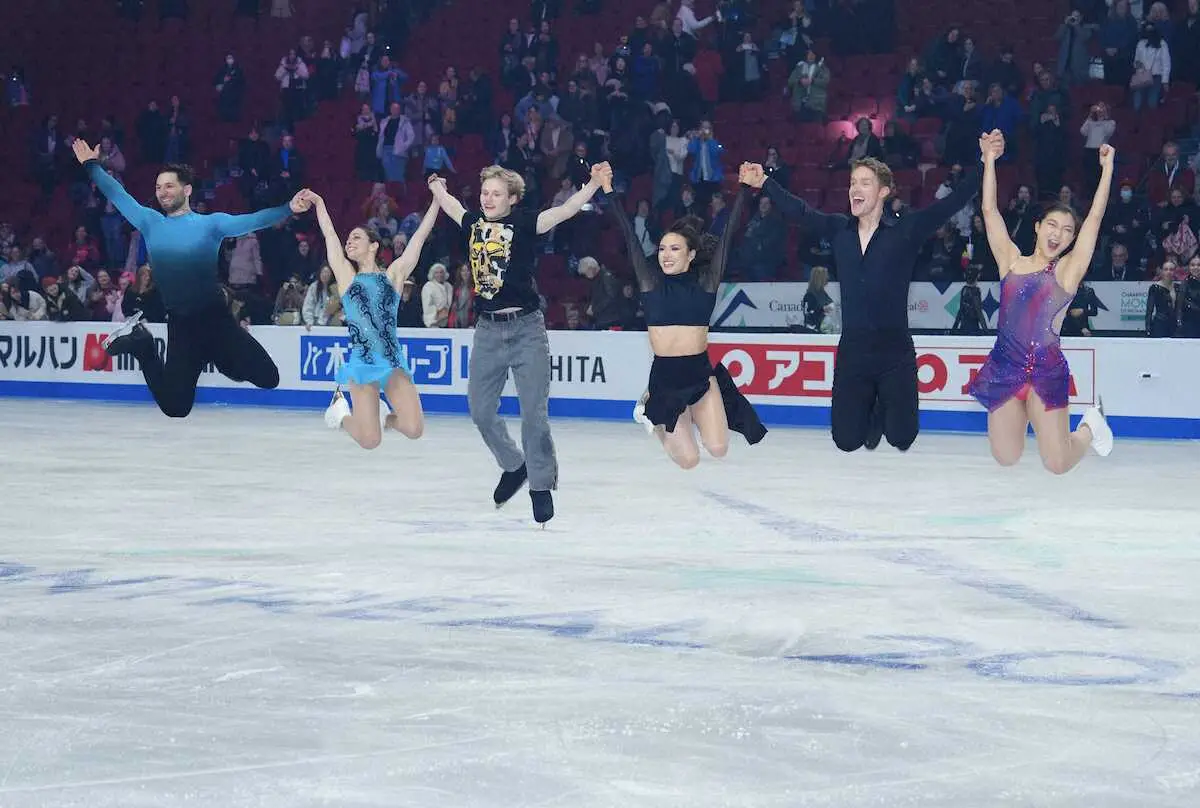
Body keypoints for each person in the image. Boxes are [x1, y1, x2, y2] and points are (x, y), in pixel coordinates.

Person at [741, 153, 982, 453]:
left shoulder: (906, 230)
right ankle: (870, 406)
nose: (855, 188)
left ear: (883, 191)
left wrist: (986, 161)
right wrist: (764, 181)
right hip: (853, 350)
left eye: (865, 183)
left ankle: (882, 407)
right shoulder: (838, 229)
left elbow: (953, 202)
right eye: (853, 182)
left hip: (894, 351)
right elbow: (800, 211)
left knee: (902, 438)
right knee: (847, 441)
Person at [426, 162, 611, 525]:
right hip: (488, 331)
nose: (488, 199)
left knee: (533, 415)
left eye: (496, 194)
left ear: (512, 198)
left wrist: (592, 184)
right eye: (484, 193)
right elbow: (450, 205)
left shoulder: (526, 223)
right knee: (479, 410)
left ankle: (540, 486)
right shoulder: (473, 224)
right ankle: (514, 465)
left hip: (526, 329)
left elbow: (567, 210)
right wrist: (435, 187)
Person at [72, 138, 311, 418]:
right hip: (181, 326)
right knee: (176, 408)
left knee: (270, 378)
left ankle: (221, 360)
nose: (162, 192)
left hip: (217, 322)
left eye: (169, 186)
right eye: (158, 187)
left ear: (187, 189)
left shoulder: (210, 224)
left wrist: (288, 209)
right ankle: (143, 347)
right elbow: (117, 194)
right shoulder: (150, 222)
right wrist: (91, 166)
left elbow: (253, 220)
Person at [601, 167, 765, 469]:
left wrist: (744, 189)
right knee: (689, 461)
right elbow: (629, 235)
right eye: (662, 248)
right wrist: (609, 190)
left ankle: (684, 414)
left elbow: (727, 234)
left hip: (700, 375)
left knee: (718, 448)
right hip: (665, 380)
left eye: (675, 249)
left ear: (691, 255)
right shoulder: (650, 283)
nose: (666, 254)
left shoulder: (706, 284)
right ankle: (652, 408)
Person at [969, 130, 1114, 472]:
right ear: (1037, 226)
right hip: (1004, 369)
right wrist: (989, 160)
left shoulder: (1067, 272)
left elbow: (1094, 219)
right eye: (1052, 224)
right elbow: (989, 211)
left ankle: (1090, 427)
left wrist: (1107, 169)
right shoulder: (1011, 261)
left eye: (1067, 230)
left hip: (1045, 373)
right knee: (1006, 457)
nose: (1058, 234)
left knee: (1057, 463)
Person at [306, 182, 441, 449]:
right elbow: (330, 236)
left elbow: (419, 239)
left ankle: (385, 418)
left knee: (414, 429)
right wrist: (319, 203)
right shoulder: (347, 277)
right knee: (370, 441)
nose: (349, 242)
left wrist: (437, 200)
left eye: (357, 238)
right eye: (349, 239)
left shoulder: (393, 276)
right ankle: (340, 414)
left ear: (374, 246)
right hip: (362, 361)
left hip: (392, 360)